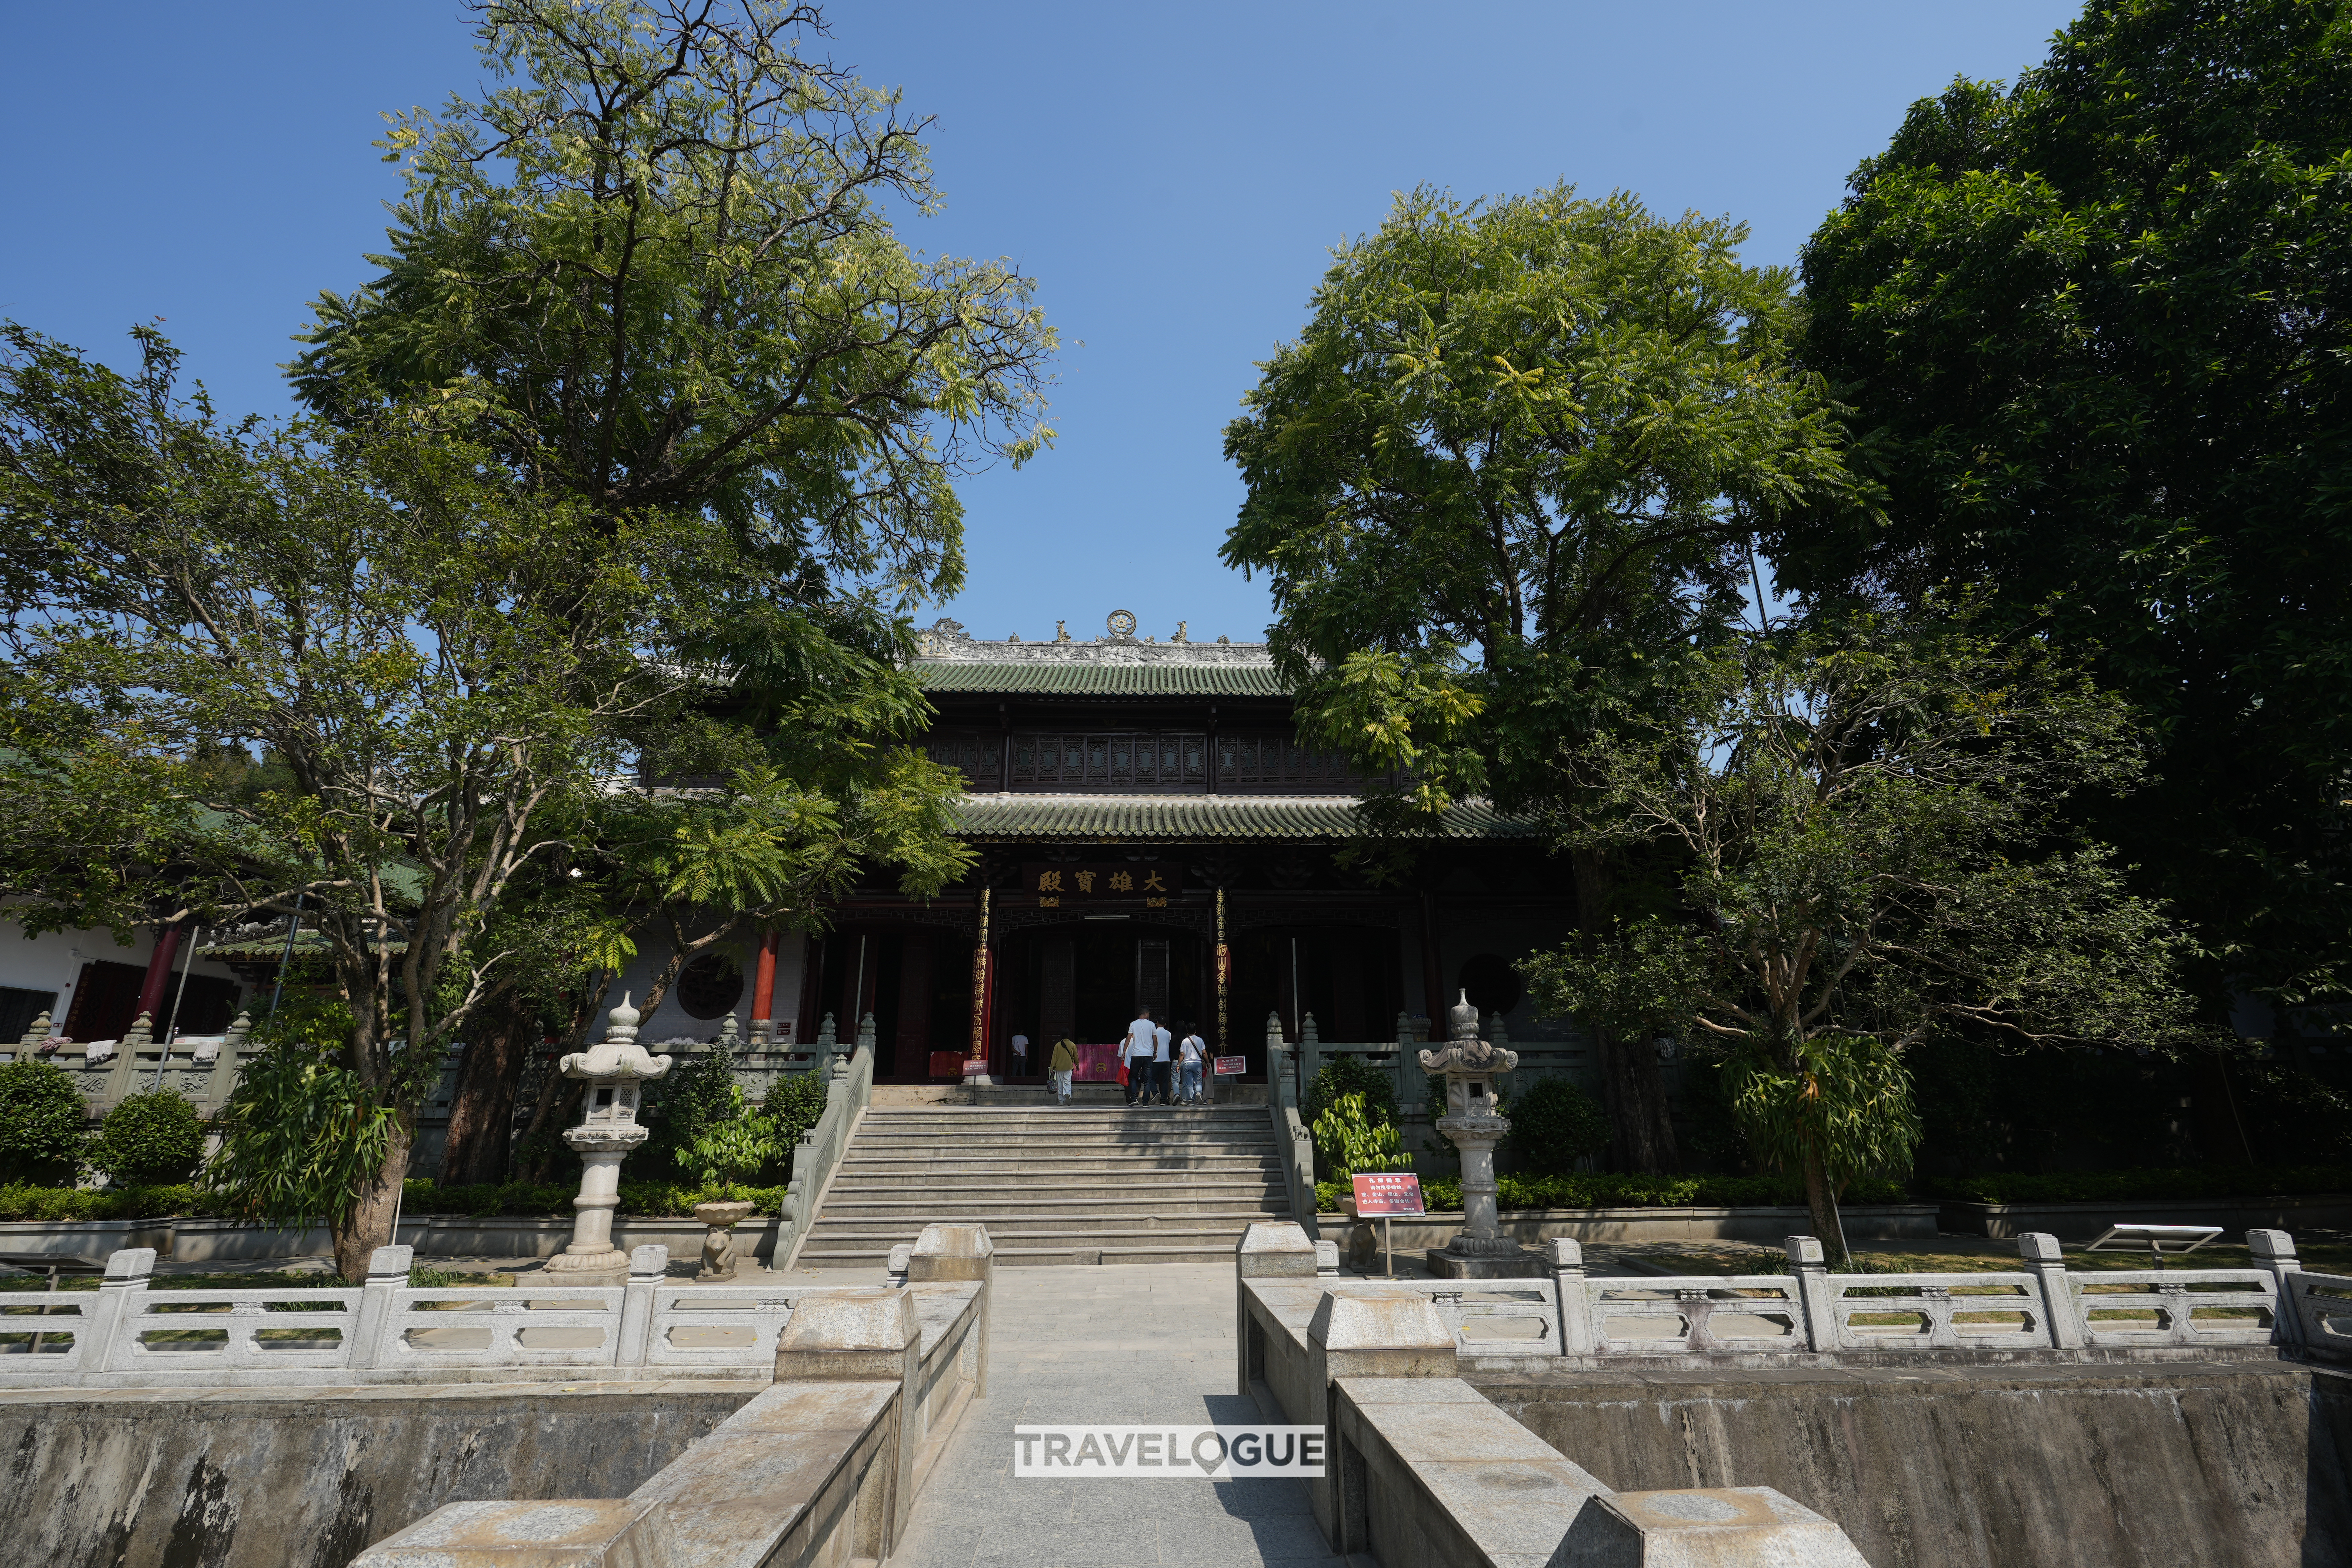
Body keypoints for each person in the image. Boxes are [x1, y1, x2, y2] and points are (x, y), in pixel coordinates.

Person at [1123, 1008, 1157, 1106]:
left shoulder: (1133, 1024)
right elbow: (1155, 1040)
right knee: (1147, 1080)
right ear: (1146, 1014)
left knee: (1133, 1077)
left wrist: (1124, 1052)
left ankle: (1134, 1098)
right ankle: (1145, 1103)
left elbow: (1129, 1038)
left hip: (1136, 1055)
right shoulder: (1151, 1025)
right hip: (1148, 1055)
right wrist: (1155, 1052)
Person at [1175, 1024, 1206, 1105]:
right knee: (1198, 1081)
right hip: (1198, 1063)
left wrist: (1178, 1065)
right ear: (1196, 1031)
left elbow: (1182, 1054)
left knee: (1189, 1083)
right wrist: (1208, 1062)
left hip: (1187, 1064)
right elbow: (1204, 1052)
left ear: (1188, 1031)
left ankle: (1191, 1101)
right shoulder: (1200, 1040)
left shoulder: (1185, 1041)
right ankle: (1199, 1093)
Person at [1150, 1016, 1174, 1107]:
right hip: (1166, 1059)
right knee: (1164, 1081)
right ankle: (1164, 1100)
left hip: (1156, 1059)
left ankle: (1155, 1092)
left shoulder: (1154, 1033)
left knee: (1151, 1078)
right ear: (1165, 1024)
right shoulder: (1168, 1034)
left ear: (1157, 1023)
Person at [1047, 1035, 1078, 1105]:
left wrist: (1052, 1067)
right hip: (1069, 1067)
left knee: (1060, 1084)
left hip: (1059, 1067)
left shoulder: (1058, 1045)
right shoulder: (1072, 1045)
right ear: (1068, 1035)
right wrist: (1077, 1064)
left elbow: (1054, 1056)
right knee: (1067, 1082)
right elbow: (1076, 1056)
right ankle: (1067, 1093)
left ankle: (1061, 1101)